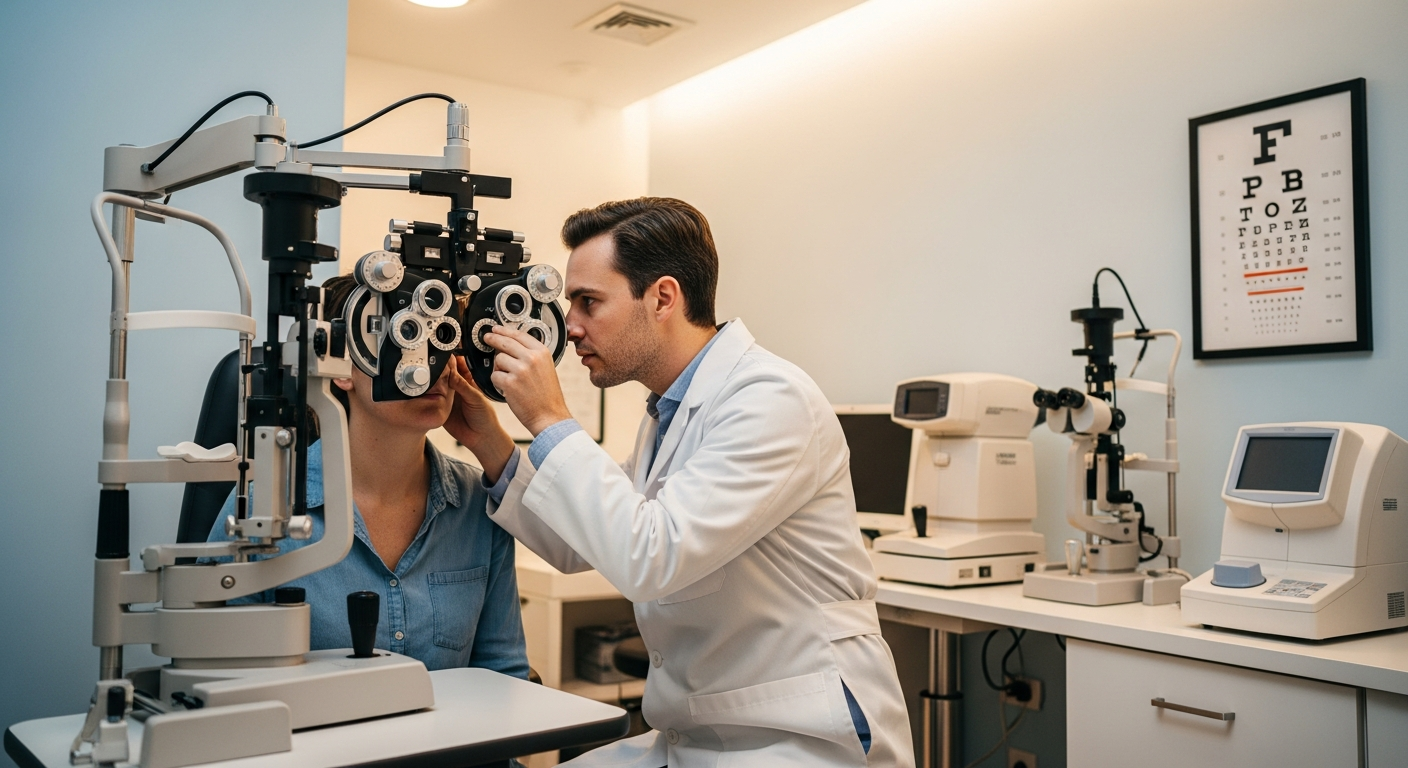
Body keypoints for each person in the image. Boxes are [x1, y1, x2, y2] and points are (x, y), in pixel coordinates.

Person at [446, 198, 914, 767]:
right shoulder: (668, 412)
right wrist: (489, 441)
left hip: (798, 736)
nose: (569, 326)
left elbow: (650, 556)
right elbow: (582, 541)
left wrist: (548, 417)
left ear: (663, 298)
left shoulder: (769, 399)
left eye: (589, 302)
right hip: (703, 734)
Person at [206, 274, 528, 678]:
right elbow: (221, 676)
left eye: (444, 337)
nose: (434, 364)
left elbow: (504, 673)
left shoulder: (479, 506)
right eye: (407, 335)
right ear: (342, 367)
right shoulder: (263, 509)